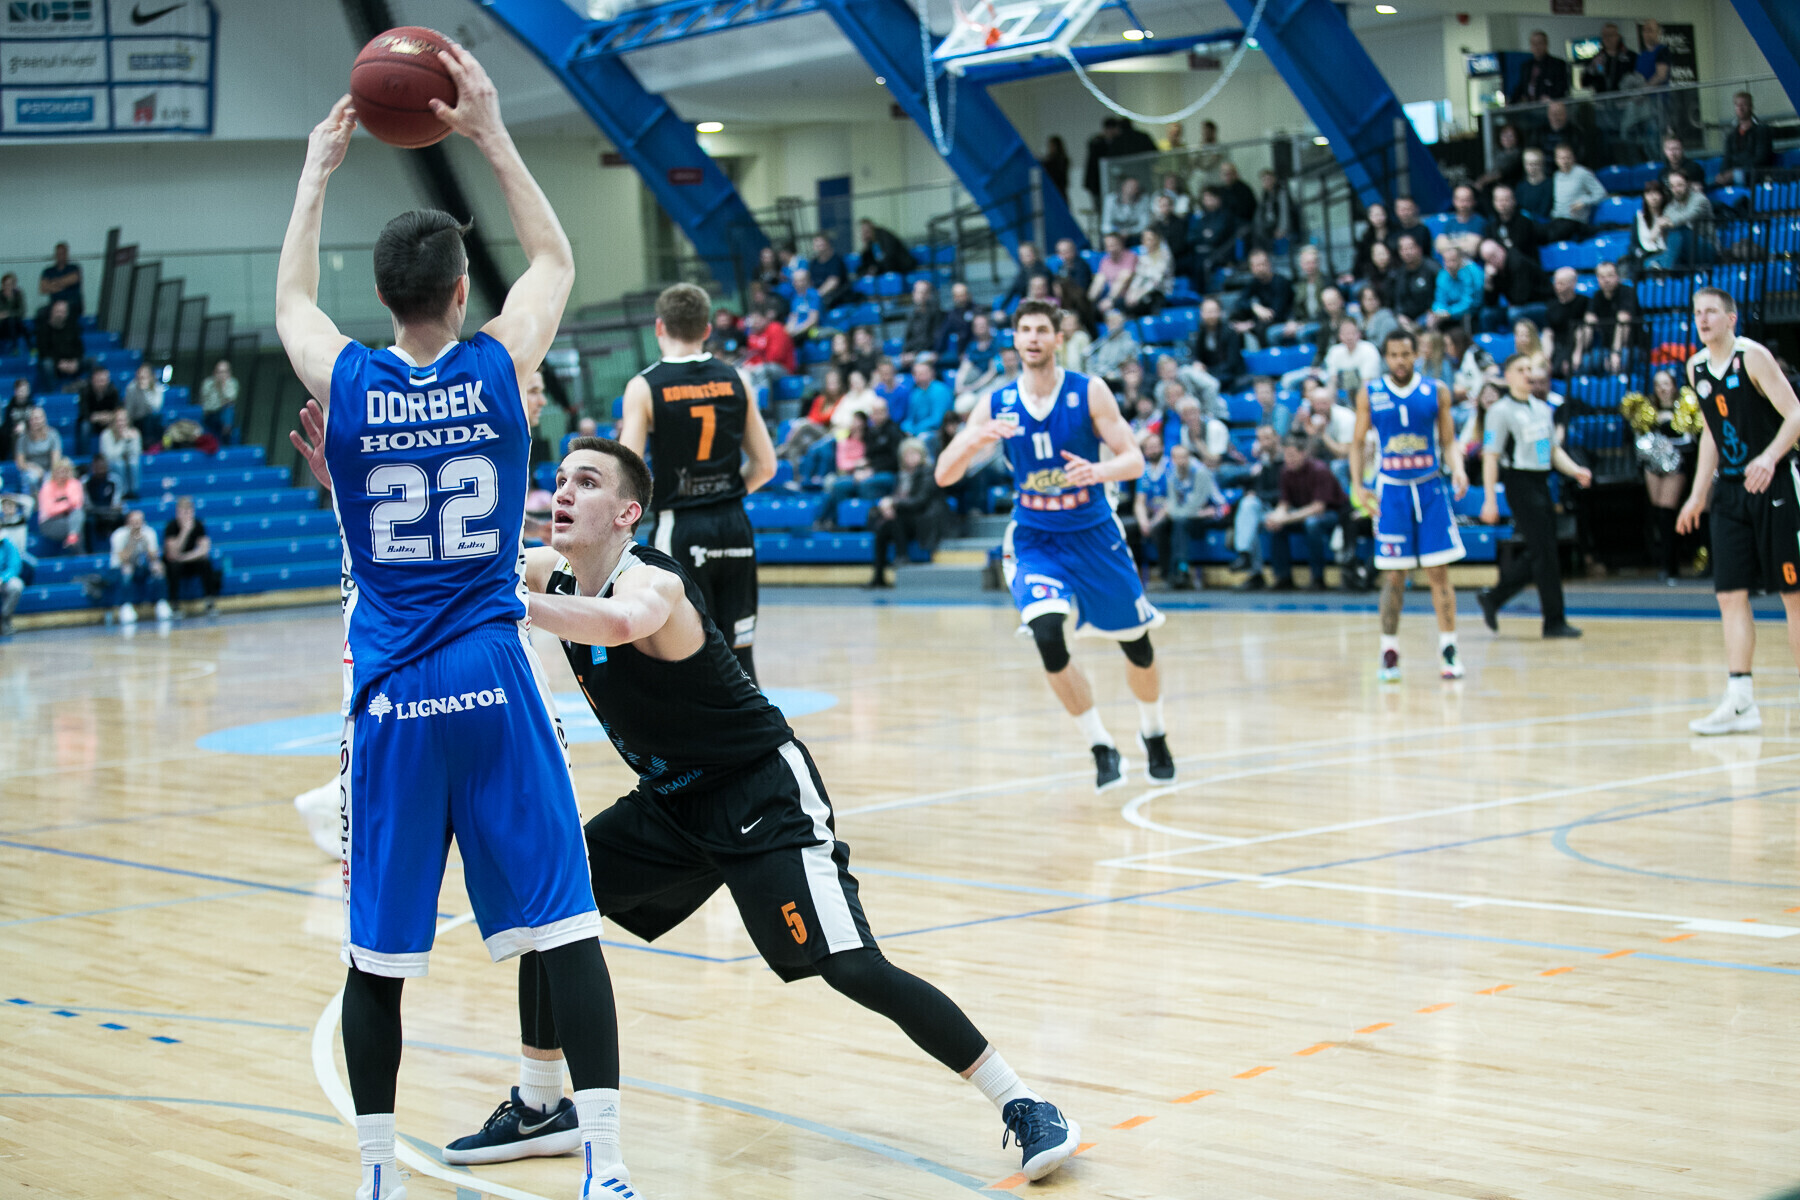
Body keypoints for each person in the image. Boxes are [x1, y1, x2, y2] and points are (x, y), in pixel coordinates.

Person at [360, 436, 1079, 1182]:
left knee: (851, 966)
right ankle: (541, 1105)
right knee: (555, 903)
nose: (564, 492)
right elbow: (450, 560)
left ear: (628, 513)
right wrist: (357, 480)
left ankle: (1023, 1102)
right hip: (671, 803)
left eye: (588, 482)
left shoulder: (654, 581)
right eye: (561, 479)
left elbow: (618, 623)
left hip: (757, 792)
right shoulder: (549, 571)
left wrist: (510, 602)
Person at [273, 51, 642, 1200]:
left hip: (391, 697)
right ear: (460, 291)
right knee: (565, 929)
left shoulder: (345, 384)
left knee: (376, 959)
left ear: (385, 296)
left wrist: (316, 172)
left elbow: (289, 304)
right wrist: (488, 131)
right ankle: (607, 1168)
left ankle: (378, 1177)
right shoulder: (496, 369)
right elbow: (556, 260)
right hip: (494, 678)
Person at [935, 299, 1175, 790]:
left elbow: (1134, 461)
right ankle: (1100, 745)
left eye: (1042, 329)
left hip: (1093, 533)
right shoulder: (997, 402)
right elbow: (944, 474)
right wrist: (974, 440)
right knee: (1047, 635)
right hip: (1035, 539)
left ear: (1058, 338)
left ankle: (1153, 732)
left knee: (1138, 644)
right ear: (1015, 339)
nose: (1033, 338)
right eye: (1024, 330)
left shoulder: (1089, 391)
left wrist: (1099, 470)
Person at [618, 283, 778, 683]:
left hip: (682, 526)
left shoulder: (645, 386)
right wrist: (722, 494)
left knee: (685, 658)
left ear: (659, 327)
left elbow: (625, 473)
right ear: (707, 329)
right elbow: (765, 466)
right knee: (740, 657)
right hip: (734, 524)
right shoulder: (736, 378)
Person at [1676, 288, 1800, 734]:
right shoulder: (1695, 367)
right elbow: (1712, 431)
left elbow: (1796, 414)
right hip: (1729, 491)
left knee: (1794, 595)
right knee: (1729, 594)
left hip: (1774, 483)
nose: (1702, 319)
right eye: (1697, 312)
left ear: (1731, 318)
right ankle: (1741, 702)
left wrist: (1768, 457)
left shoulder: (1753, 358)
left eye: (1711, 311)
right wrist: (1697, 494)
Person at [1350, 330, 1469, 681]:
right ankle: (1389, 650)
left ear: (1417, 354)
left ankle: (1449, 649)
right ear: (1386, 357)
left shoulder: (1437, 391)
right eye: (1393, 355)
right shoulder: (1370, 393)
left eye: (1405, 354)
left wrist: (1459, 468)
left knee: (1438, 572)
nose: (1400, 361)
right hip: (1391, 492)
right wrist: (1358, 485)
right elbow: (1357, 443)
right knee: (1393, 575)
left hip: (1429, 488)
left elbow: (1448, 441)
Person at [1476, 354, 1592, 638]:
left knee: (1543, 551)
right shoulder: (1499, 412)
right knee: (1544, 552)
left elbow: (1551, 451)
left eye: (1530, 368)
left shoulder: (1541, 408)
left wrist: (1575, 470)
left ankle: (1494, 597)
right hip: (1519, 482)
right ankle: (1553, 621)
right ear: (1508, 376)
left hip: (1542, 481)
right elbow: (1490, 456)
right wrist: (1489, 499)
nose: (1528, 373)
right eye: (1521, 369)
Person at [1261, 435, 1346, 591]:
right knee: (1276, 525)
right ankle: (1283, 577)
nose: (1288, 459)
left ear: (1303, 454)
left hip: (1332, 515)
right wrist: (1276, 517)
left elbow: (1318, 507)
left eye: (1292, 455)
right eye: (1286, 455)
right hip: (1303, 513)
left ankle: (1318, 578)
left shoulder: (1320, 470)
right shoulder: (1286, 471)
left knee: (1312, 524)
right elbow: (1284, 503)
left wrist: (1287, 518)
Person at [866, 437, 941, 587]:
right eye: (907, 454)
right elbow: (897, 497)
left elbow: (920, 501)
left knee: (895, 518)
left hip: (922, 519)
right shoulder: (901, 475)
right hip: (902, 517)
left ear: (921, 455)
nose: (910, 458)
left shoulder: (927, 472)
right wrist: (888, 506)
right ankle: (878, 577)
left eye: (914, 453)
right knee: (883, 529)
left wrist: (894, 504)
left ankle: (902, 556)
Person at [106, 508, 173, 623]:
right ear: (127, 523)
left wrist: (146, 544)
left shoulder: (149, 533)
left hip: (139, 567)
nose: (137, 525)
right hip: (118, 569)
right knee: (127, 569)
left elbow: (154, 558)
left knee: (158, 567)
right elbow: (123, 559)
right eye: (134, 522)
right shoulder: (119, 535)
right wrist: (132, 541)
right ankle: (126, 605)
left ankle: (161, 602)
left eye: (139, 522)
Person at [1576, 260, 1638, 374]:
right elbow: (1588, 323)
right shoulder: (1597, 296)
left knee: (1620, 362)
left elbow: (1623, 324)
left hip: (1630, 347)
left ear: (1617, 276)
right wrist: (1578, 353)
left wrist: (1616, 353)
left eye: (1610, 275)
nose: (1606, 280)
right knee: (1584, 363)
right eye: (1602, 277)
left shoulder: (1627, 292)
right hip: (1605, 348)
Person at [163, 494, 222, 614]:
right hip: (176, 564)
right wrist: (185, 532)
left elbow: (204, 550)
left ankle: (209, 601)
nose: (187, 515)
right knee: (174, 566)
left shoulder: (198, 524)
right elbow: (173, 552)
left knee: (205, 562)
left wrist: (185, 557)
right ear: (177, 512)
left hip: (189, 560)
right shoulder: (171, 526)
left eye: (189, 511)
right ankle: (174, 604)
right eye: (183, 512)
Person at [1546, 143, 1605, 243]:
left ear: (1573, 158)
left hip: (1575, 221)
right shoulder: (1556, 176)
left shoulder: (1582, 173)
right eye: (1561, 158)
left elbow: (1601, 193)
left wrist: (1584, 201)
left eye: (1567, 158)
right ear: (1556, 160)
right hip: (1557, 220)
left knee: (1555, 234)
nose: (1565, 161)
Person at [1717, 92, 1774, 186]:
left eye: (1744, 105)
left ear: (1750, 107)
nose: (1740, 108)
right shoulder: (1731, 135)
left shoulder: (1762, 131)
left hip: (1754, 175)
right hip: (1733, 175)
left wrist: (1737, 172)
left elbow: (1761, 159)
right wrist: (1723, 174)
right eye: (1737, 105)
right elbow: (1726, 159)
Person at [1429, 245, 1483, 332]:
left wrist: (1449, 312)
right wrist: (1438, 311)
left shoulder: (1469, 274)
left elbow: (1468, 303)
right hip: (1449, 312)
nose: (1449, 265)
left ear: (1460, 260)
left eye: (1453, 261)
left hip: (1470, 313)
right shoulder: (1442, 275)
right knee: (1430, 320)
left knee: (1466, 318)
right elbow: (1439, 300)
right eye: (1446, 261)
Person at [1391, 234, 1439, 330]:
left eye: (1410, 248)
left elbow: (1441, 296)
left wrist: (1434, 311)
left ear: (1419, 249)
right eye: (1403, 249)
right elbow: (1397, 301)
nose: (1407, 252)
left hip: (1428, 316)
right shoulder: (1399, 274)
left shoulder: (1433, 269)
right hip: (1407, 320)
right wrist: (1400, 316)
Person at [36, 457, 84, 554]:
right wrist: (67, 504)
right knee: (77, 526)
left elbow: (77, 504)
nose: (62, 474)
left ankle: (73, 540)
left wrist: (60, 503)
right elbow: (50, 510)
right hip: (49, 522)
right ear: (54, 473)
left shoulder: (74, 484)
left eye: (65, 471)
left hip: (70, 518)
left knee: (79, 514)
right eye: (59, 471)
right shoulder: (47, 487)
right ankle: (80, 556)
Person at [1508, 30, 1569, 106]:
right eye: (1534, 44)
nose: (1536, 47)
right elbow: (1521, 87)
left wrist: (1551, 98)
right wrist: (1510, 104)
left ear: (1546, 44)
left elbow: (1562, 87)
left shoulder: (1557, 64)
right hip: (1530, 107)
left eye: (1539, 43)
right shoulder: (1526, 66)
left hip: (1550, 106)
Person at [35, 299, 84, 390]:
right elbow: (44, 352)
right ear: (52, 312)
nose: (60, 314)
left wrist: (75, 361)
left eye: (63, 312)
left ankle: (85, 387)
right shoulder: (43, 329)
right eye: (57, 311)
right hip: (54, 363)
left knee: (92, 361)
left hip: (71, 362)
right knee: (47, 364)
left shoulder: (72, 327)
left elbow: (79, 348)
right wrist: (59, 363)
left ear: (67, 314)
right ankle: (53, 391)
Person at [1434, 185, 1489, 259]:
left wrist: (1450, 244)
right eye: (1460, 200)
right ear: (1454, 201)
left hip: (1472, 264)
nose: (1463, 204)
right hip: (1451, 263)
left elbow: (1472, 250)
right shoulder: (1450, 223)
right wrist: (1463, 243)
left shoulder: (1480, 222)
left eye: (1467, 200)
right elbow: (1439, 246)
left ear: (1474, 201)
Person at [98, 409, 142, 498]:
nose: (121, 423)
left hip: (127, 463)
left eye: (124, 420)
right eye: (118, 420)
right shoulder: (106, 435)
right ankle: (122, 492)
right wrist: (122, 441)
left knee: (133, 462)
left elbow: (136, 453)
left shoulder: (134, 433)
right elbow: (109, 456)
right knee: (119, 464)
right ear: (113, 422)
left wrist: (131, 441)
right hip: (111, 465)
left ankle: (133, 491)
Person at [124, 362, 165, 447]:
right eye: (140, 375)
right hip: (137, 420)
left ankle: (155, 446)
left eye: (145, 376)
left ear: (151, 377)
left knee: (155, 419)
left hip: (151, 421)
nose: (142, 378)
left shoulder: (158, 388)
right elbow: (129, 410)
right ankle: (147, 446)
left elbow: (156, 407)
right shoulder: (131, 388)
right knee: (147, 421)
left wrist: (146, 391)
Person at [807, 233, 851, 313]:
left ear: (828, 244)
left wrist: (817, 295)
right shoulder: (813, 262)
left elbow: (833, 282)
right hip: (817, 296)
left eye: (821, 245)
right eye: (817, 245)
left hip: (834, 296)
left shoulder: (836, 260)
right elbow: (810, 281)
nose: (820, 248)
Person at [39, 241, 83, 318]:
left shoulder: (74, 268)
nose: (60, 256)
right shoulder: (48, 271)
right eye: (58, 254)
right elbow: (43, 288)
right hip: (54, 305)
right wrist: (63, 283)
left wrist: (53, 283)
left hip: (72, 305)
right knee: (41, 313)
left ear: (66, 254)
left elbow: (73, 279)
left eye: (62, 253)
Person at [198, 359, 238, 440]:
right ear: (214, 372)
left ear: (229, 373)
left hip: (223, 415)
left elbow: (230, 400)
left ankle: (226, 431)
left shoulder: (232, 383)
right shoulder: (208, 383)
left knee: (229, 409)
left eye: (224, 372)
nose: (221, 375)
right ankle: (226, 433)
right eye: (219, 372)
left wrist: (222, 387)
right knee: (226, 411)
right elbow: (208, 405)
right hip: (210, 415)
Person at [0, 526, 21, 638]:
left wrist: (3, 578)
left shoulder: (8, 543)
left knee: (16, 586)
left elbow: (14, 566)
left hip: (4, 580)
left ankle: (4, 618)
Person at [0, 273, 26, 354]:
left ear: (14, 285)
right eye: (6, 284)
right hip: (2, 324)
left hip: (16, 323)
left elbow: (22, 311)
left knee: (12, 321)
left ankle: (15, 347)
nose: (8, 287)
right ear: (2, 285)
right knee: (9, 321)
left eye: (10, 284)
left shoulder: (18, 294)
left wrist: (8, 314)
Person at [1039, 134, 1070, 199]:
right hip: (1051, 190)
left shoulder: (1061, 160)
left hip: (1059, 190)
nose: (1050, 148)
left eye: (1052, 146)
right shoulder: (1049, 160)